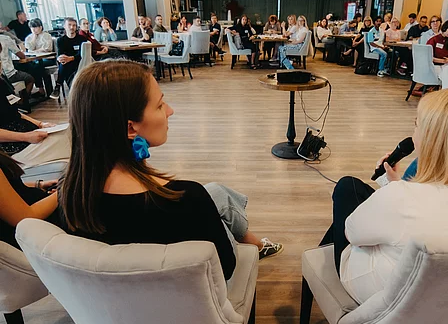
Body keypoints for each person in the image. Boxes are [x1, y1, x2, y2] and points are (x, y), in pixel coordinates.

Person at [58, 61, 283, 277]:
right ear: (130, 128)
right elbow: (226, 267)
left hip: (108, 308)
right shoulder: (188, 199)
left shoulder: (68, 196)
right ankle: (255, 245)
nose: (170, 111)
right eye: (159, 105)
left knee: (215, 192)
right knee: (216, 195)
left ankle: (253, 241)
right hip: (191, 306)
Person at [320, 89, 448, 304]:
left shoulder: (402, 199)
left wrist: (392, 191)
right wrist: (394, 184)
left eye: (417, 124)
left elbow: (352, 233)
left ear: (432, 139)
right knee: (360, 194)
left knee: (347, 188)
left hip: (386, 297)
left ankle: (319, 264)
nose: (412, 135)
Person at [0, 152, 60, 249]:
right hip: (36, 232)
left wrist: (39, 185)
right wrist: (62, 192)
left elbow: (9, 186)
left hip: (39, 214)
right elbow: (25, 218)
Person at [0, 91, 69, 168]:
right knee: (68, 140)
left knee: (70, 133)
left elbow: (15, 113)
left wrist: (40, 124)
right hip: (14, 147)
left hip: (27, 134)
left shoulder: (2, 83)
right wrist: (26, 137)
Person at [50, 17, 87, 100]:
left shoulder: (82, 39)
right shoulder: (60, 40)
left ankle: (58, 86)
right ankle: (73, 90)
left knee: (64, 65)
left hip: (79, 62)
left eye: (74, 25)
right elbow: (60, 54)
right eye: (69, 25)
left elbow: (82, 54)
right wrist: (60, 58)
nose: (72, 27)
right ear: (64, 26)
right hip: (67, 64)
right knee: (63, 63)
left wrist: (70, 58)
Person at [424, 19, 448, 89]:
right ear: (445, 28)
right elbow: (428, 57)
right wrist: (443, 61)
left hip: (445, 65)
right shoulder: (434, 40)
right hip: (433, 66)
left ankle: (446, 93)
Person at [23, 18, 53, 97]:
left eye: (36, 27)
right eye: (32, 28)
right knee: (30, 66)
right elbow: (29, 49)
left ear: (40, 27)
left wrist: (35, 51)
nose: (34, 29)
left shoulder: (46, 35)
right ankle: (38, 88)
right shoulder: (29, 38)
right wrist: (34, 38)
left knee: (36, 66)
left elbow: (47, 48)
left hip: (48, 58)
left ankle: (41, 89)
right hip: (35, 59)